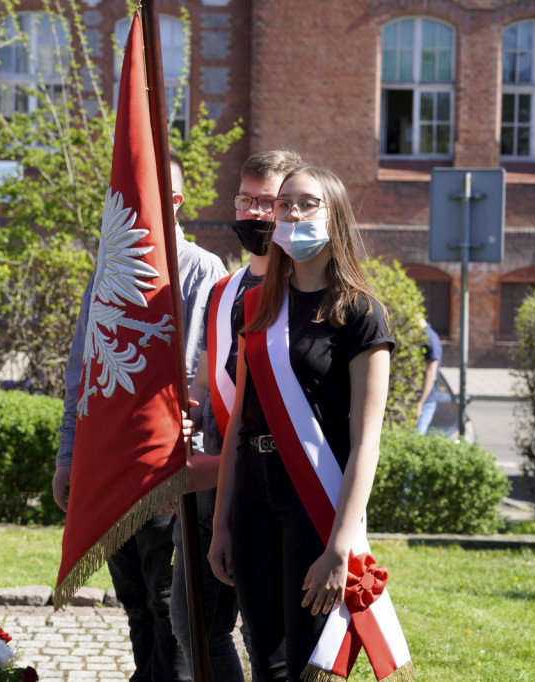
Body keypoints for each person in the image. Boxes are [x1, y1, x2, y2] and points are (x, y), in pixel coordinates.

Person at [208, 165, 395, 680]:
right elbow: (238, 430)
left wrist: (340, 545)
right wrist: (222, 523)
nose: (289, 213)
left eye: (306, 203)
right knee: (264, 660)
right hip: (251, 497)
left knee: (308, 663)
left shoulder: (361, 314)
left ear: (334, 216)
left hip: (315, 503)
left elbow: (367, 442)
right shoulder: (255, 307)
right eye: (284, 202)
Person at [53, 150, 226, 682]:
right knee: (133, 601)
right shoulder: (110, 267)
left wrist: (189, 468)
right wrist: (68, 458)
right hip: (109, 467)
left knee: (168, 605)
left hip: (166, 469)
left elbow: (206, 374)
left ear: (176, 201)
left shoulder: (202, 270)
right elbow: (83, 368)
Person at [175, 149, 302, 680]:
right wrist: (186, 417)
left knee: (263, 636)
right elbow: (205, 381)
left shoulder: (304, 291)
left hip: (269, 484)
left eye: (266, 202)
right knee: (193, 625)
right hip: (210, 480)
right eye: (245, 200)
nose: (253, 214)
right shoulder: (222, 290)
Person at [416, 317, 442, 434]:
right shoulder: (422, 336)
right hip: (421, 400)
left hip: (425, 401)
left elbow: (431, 374)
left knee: (415, 439)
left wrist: (420, 403)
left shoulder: (429, 338)